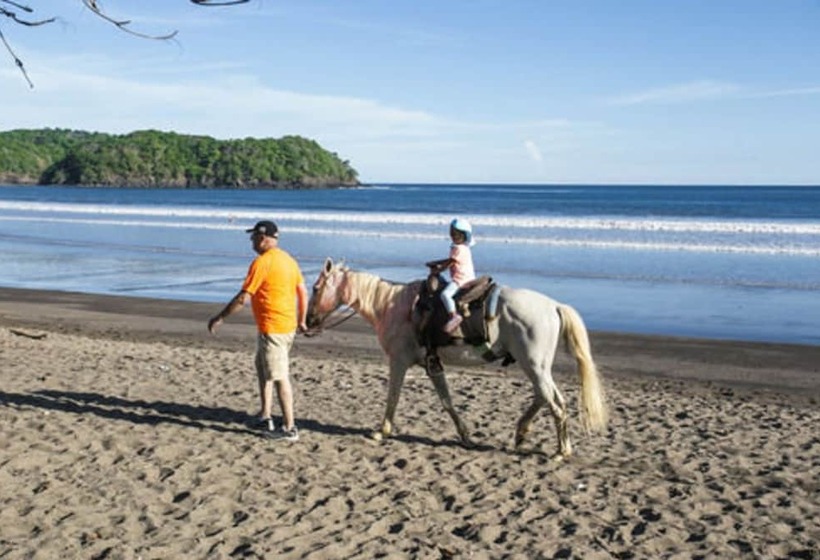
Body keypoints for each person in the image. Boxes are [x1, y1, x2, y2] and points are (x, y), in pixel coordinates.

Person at [208, 220, 308, 442]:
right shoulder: (289, 260)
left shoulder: (263, 262)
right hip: (280, 326)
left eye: (253, 237)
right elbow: (302, 291)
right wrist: (301, 320)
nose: (251, 241)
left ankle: (290, 427)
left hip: (276, 328)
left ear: (263, 238)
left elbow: (244, 297)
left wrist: (220, 317)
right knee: (263, 369)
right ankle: (265, 415)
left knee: (279, 375)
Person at [427, 218, 476, 334]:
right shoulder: (461, 248)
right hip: (465, 277)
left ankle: (454, 316)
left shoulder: (458, 248)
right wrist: (436, 262)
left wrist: (437, 271)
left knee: (445, 294)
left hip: (461, 280)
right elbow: (449, 260)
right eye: (452, 233)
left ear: (463, 236)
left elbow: (450, 263)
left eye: (456, 234)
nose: (453, 236)